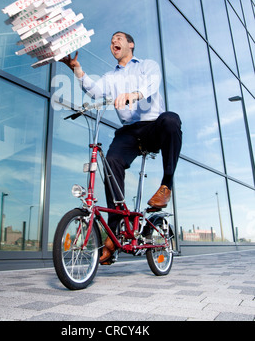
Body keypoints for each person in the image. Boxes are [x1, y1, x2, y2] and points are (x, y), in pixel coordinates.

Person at [60, 32, 182, 263]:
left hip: (154, 126)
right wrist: (76, 69)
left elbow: (152, 84)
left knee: (171, 120)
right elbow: (95, 91)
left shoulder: (147, 65)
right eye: (111, 40)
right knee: (111, 161)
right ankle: (115, 231)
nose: (113, 42)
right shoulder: (110, 76)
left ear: (130, 44)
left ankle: (166, 186)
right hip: (129, 131)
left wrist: (134, 95)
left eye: (118, 38)